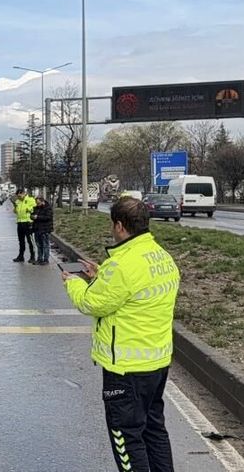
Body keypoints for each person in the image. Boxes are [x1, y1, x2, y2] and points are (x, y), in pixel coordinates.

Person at [62, 197, 179, 472]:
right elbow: (132, 292)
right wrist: (99, 276)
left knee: (126, 437)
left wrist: (73, 283)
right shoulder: (161, 256)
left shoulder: (122, 265)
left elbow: (91, 303)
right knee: (154, 431)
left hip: (126, 370)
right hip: (157, 363)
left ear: (119, 226)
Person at [12, 188, 36, 263]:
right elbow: (15, 212)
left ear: (24, 193)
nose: (19, 197)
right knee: (21, 241)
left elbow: (34, 209)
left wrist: (28, 208)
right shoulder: (17, 201)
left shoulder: (30, 200)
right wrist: (15, 206)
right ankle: (21, 256)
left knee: (30, 241)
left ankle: (33, 256)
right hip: (20, 223)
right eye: (17, 196)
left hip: (28, 222)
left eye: (20, 195)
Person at [30, 196, 53, 265]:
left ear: (43, 201)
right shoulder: (36, 208)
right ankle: (39, 259)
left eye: (39, 203)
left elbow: (48, 217)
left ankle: (46, 260)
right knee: (39, 245)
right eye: (37, 203)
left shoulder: (48, 208)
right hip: (37, 229)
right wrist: (32, 216)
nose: (38, 204)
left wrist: (37, 217)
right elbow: (32, 215)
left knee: (45, 245)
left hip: (45, 229)